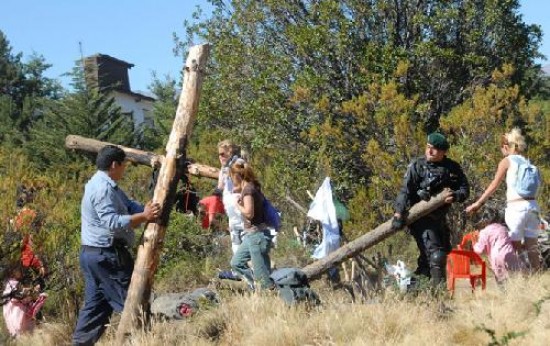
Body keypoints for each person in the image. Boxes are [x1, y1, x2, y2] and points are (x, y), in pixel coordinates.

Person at [72, 145, 161, 346]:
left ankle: (80, 343)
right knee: (132, 303)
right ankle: (145, 340)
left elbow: (127, 205)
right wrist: (144, 216)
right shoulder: (102, 189)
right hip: (106, 255)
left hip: (93, 255)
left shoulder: (103, 183)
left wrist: (145, 210)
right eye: (124, 165)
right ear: (114, 165)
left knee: (96, 306)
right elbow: (112, 222)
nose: (125, 169)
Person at [391, 132, 469, 285]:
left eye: (434, 149)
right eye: (428, 147)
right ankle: (439, 297)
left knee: (435, 257)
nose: (430, 151)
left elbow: (464, 189)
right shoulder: (417, 166)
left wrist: (455, 196)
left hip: (439, 219)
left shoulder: (452, 168)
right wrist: (398, 214)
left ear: (443, 152)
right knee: (436, 255)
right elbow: (404, 192)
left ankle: (414, 288)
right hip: (420, 219)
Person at [465, 128, 541, 271]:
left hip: (516, 208)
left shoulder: (507, 161)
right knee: (533, 245)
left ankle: (521, 277)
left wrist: (478, 203)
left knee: (515, 245)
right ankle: (537, 277)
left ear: (506, 147)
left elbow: (494, 184)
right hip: (533, 206)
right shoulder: (528, 163)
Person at [229, 161, 275, 291]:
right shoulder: (252, 187)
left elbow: (249, 213)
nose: (231, 180)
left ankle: (269, 294)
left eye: (232, 176)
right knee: (236, 263)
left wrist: (237, 205)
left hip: (257, 237)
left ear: (237, 176)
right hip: (253, 236)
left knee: (263, 279)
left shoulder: (248, 190)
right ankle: (255, 285)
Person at [473, 206, 523, 284]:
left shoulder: (484, 232)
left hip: (496, 257)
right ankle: (518, 291)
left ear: (484, 220)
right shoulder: (504, 229)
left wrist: (474, 244)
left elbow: (480, 250)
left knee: (501, 279)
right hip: (510, 254)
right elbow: (510, 240)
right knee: (516, 276)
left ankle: (504, 293)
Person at [2, 264, 47, 337]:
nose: (20, 272)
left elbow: (27, 298)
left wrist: (30, 294)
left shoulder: (20, 283)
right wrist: (24, 293)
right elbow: (14, 296)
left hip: (24, 316)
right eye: (18, 271)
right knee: (20, 334)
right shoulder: (12, 284)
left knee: (27, 334)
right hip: (16, 315)